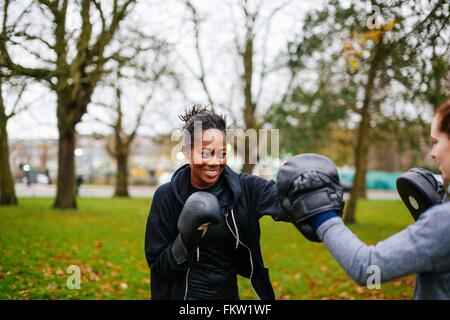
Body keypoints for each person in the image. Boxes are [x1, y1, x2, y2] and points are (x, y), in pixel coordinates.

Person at [276, 99, 450, 299]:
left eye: (436, 142)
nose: (433, 153)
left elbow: (369, 270)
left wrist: (321, 215)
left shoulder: (445, 222)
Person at [144, 105, 287, 300]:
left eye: (221, 153)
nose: (214, 162)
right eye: (205, 153)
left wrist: (302, 189)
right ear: (187, 152)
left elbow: (281, 200)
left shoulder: (244, 189)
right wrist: (185, 240)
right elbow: (159, 267)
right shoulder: (166, 196)